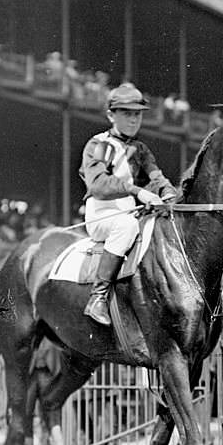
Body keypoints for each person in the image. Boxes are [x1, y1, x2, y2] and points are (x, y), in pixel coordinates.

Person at [79, 82, 177, 325]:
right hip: (102, 214)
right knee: (126, 227)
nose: (134, 120)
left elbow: (157, 178)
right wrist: (137, 192)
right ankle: (98, 298)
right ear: (111, 115)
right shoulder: (99, 144)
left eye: (137, 114)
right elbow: (98, 185)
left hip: (130, 213)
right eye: (127, 114)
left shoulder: (141, 149)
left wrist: (171, 196)